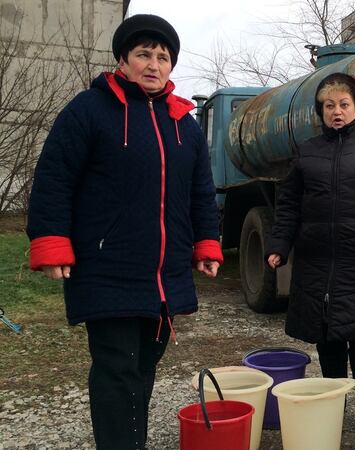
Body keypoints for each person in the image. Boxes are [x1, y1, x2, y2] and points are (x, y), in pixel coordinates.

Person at [26, 14, 222, 449]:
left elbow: (200, 193)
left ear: (171, 66)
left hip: (163, 274)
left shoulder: (184, 125)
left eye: (163, 57)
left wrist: (206, 243)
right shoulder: (89, 109)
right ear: (123, 59)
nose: (153, 64)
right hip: (106, 265)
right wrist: (52, 242)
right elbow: (55, 177)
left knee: (144, 366)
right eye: (143, 54)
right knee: (117, 368)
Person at [265, 73, 355, 425]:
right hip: (316, 260)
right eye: (329, 105)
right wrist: (279, 245)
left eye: (343, 104)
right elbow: (289, 205)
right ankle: (334, 409)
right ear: (321, 111)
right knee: (327, 337)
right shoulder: (308, 151)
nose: (337, 111)